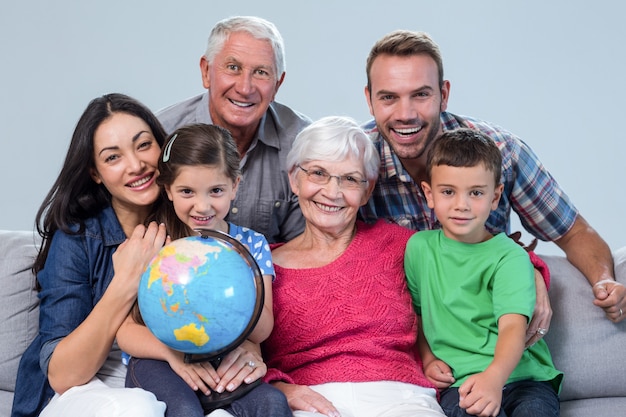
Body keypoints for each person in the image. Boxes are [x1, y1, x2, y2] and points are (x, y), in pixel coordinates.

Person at [360, 29, 625, 330]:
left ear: (443, 94)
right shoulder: (353, 163)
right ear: (369, 100)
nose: (405, 114)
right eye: (388, 97)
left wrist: (603, 282)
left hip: (489, 330)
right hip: (406, 336)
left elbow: (575, 233)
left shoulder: (502, 152)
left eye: (421, 94)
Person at [262, 116, 446, 417]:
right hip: (311, 403)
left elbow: (474, 255)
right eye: (318, 173)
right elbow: (242, 355)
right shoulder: (263, 266)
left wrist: (532, 268)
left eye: (349, 179)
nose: (332, 193)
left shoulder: (399, 244)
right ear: (295, 178)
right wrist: (280, 388)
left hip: (402, 399)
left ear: (367, 189)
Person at [116, 123, 291, 417]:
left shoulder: (251, 244)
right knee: (184, 410)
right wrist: (175, 357)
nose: (202, 205)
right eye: (187, 191)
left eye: (216, 190)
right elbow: (125, 334)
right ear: (168, 189)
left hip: (221, 357)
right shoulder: (154, 242)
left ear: (235, 185)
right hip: (159, 360)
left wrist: (240, 268)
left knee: (272, 403)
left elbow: (261, 331)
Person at [11, 93, 169, 417]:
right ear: (95, 173)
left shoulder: (188, 219)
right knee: (136, 409)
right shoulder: (77, 237)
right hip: (81, 390)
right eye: (113, 157)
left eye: (143, 145)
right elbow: (63, 375)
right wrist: (125, 281)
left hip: (162, 376)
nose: (136, 165)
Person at [404, 128, 562, 417]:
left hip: (523, 378)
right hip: (460, 382)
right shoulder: (419, 250)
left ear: (495, 197)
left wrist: (494, 378)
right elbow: (417, 315)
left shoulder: (510, 257)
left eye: (476, 193)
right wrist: (427, 359)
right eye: (448, 192)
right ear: (429, 194)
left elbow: (513, 327)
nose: (461, 205)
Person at [157, 15, 311, 244]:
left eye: (261, 72)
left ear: (277, 84)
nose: (245, 88)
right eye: (233, 67)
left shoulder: (303, 145)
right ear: (206, 71)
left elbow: (306, 248)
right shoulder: (161, 135)